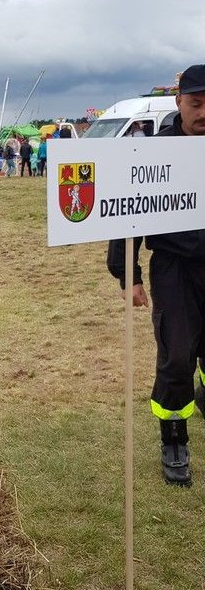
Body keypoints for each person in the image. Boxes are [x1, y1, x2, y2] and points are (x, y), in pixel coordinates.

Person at [107, 64, 205, 487]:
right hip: (173, 267)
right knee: (178, 354)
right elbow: (128, 218)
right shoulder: (151, 153)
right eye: (196, 103)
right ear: (179, 102)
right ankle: (175, 440)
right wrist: (128, 275)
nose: (203, 112)